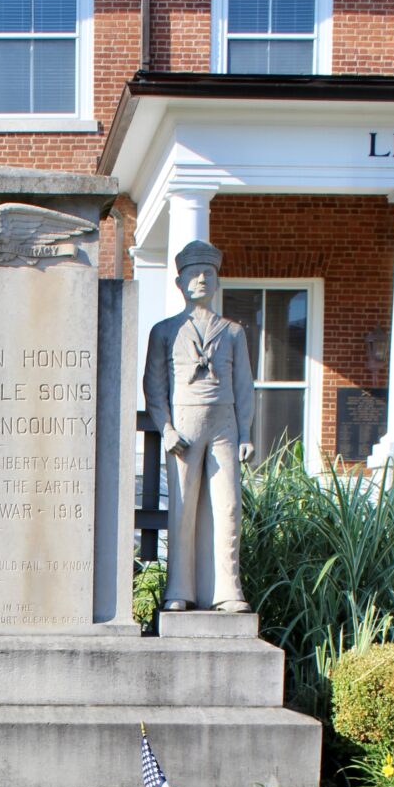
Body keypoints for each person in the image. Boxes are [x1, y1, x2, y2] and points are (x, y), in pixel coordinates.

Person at [144, 240, 254, 613]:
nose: (202, 279)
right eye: (194, 274)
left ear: (218, 281)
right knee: (182, 506)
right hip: (185, 423)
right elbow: (154, 386)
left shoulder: (233, 332)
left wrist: (246, 433)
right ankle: (180, 589)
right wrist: (166, 427)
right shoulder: (165, 331)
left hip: (224, 421)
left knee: (228, 507)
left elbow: (244, 388)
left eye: (209, 273)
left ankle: (227, 589)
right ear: (180, 283)